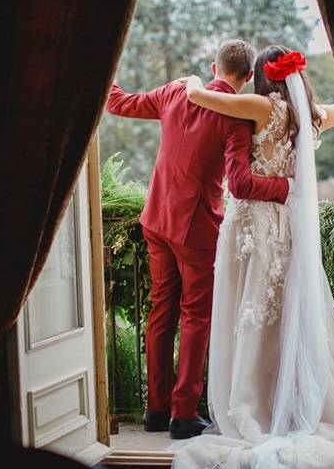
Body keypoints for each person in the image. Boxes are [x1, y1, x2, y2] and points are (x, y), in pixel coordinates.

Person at [161, 46, 334, 469]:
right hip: (289, 233)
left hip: (254, 230)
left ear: (261, 77)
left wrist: (192, 83)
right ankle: (291, 403)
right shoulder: (310, 115)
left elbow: (208, 101)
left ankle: (256, 405)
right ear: (296, 76)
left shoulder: (262, 107)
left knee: (251, 315)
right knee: (284, 318)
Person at [106, 40, 292, 440]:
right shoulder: (235, 119)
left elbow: (118, 103)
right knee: (195, 318)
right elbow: (241, 184)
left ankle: (155, 409)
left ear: (214, 66)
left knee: (161, 312)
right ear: (246, 80)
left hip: (156, 219)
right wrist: (287, 188)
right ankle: (183, 413)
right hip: (196, 230)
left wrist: (99, 64)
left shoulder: (175, 90)